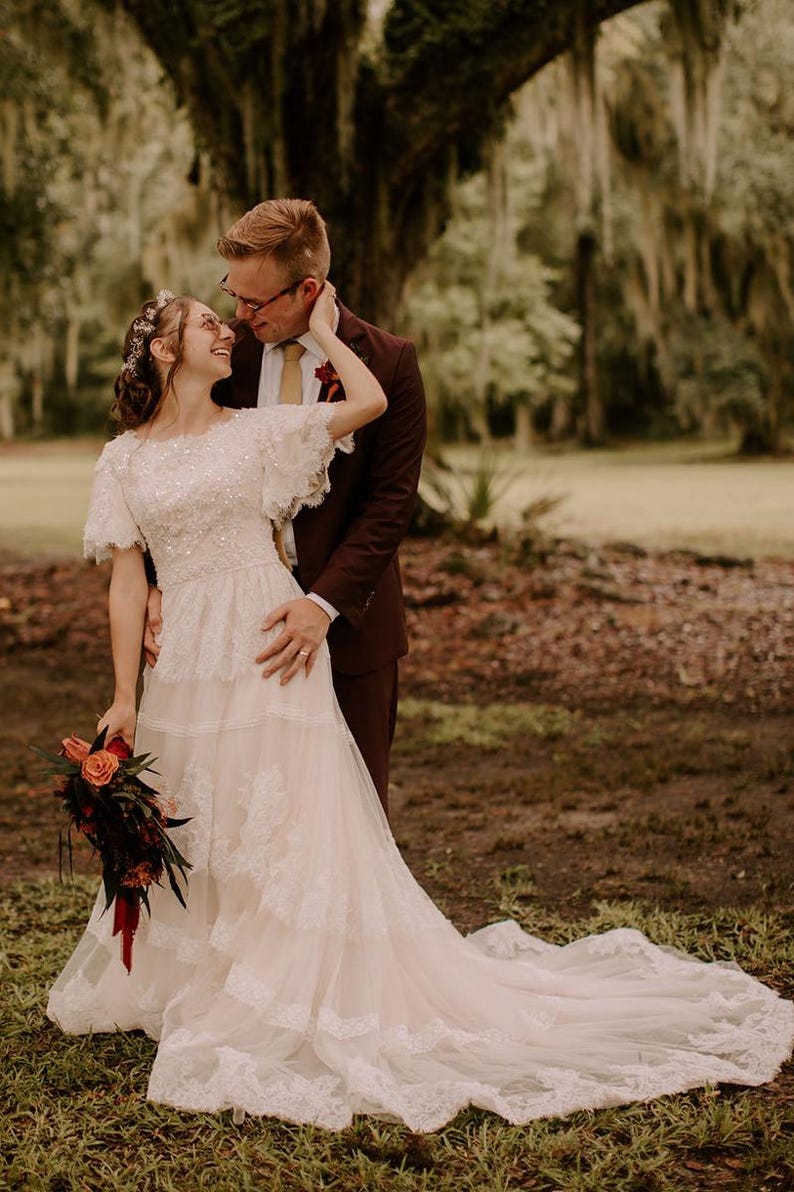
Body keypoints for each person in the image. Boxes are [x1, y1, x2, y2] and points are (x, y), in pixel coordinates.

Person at [48, 286, 793, 1131]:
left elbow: (367, 401)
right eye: (209, 325)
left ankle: (286, 974)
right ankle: (201, 971)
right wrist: (122, 696)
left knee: (280, 805)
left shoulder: (254, 432)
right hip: (184, 653)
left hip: (266, 637)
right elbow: (123, 584)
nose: (228, 332)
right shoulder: (124, 462)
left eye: (227, 320)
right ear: (163, 351)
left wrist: (327, 332)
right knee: (202, 809)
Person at [144, 198, 426, 815]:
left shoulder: (388, 363)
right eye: (232, 294)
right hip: (232, 623)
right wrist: (156, 585)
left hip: (351, 624)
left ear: (308, 288)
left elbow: (390, 505)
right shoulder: (226, 355)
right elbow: (167, 467)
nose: (237, 315)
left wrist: (322, 605)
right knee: (245, 810)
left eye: (254, 302)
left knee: (350, 819)